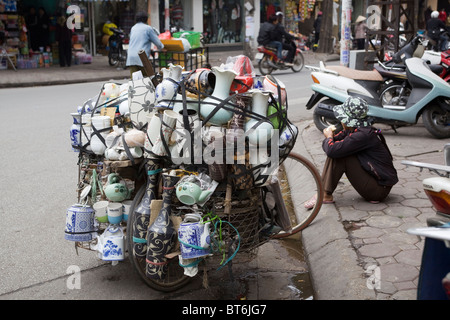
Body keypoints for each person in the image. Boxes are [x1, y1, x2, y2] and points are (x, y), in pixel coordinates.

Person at [304, 97, 398, 209]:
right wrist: (331, 138)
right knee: (338, 150)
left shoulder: (362, 135)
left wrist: (329, 137)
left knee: (339, 154)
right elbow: (336, 142)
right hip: (376, 183)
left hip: (378, 190)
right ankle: (324, 192)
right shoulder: (356, 130)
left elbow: (331, 149)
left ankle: (324, 194)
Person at [126, 12, 164, 78]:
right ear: (146, 19)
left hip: (131, 57)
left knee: (135, 80)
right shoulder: (148, 28)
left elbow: (136, 41)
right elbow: (158, 43)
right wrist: (162, 48)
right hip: (142, 57)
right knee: (147, 79)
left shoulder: (133, 28)